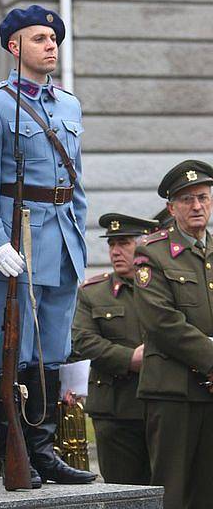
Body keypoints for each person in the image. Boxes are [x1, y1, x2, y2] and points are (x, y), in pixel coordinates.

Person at [0, 5, 95, 487]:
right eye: (39, 38)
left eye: (53, 38)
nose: (50, 45)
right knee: (12, 351)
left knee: (52, 352)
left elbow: (74, 185)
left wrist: (79, 237)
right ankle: (15, 453)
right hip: (19, 242)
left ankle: (44, 451)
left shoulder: (70, 105)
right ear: (14, 47)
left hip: (60, 243)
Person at [134, 160, 213, 509]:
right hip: (174, 391)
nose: (197, 206)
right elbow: (162, 322)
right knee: (173, 492)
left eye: (203, 197)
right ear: (171, 207)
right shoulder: (152, 251)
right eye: (186, 200)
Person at [72, 213, 156, 485]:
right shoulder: (94, 292)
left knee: (169, 491)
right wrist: (128, 358)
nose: (116, 251)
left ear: (143, 246)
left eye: (124, 243)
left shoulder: (162, 287)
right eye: (112, 244)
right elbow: (80, 339)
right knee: (122, 490)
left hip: (163, 407)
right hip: (115, 409)